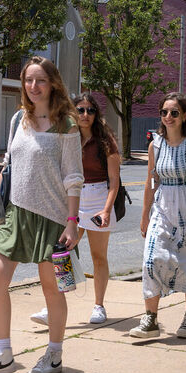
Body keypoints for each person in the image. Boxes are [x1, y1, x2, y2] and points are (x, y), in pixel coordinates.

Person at [0, 57, 82, 373]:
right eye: (28, 81)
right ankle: (3, 352)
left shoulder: (67, 125)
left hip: (53, 218)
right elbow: (8, 165)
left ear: (53, 85)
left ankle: (54, 353)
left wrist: (72, 222)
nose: (33, 87)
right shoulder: (18, 118)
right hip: (16, 214)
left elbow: (74, 177)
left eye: (40, 81)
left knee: (53, 289)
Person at [129, 93, 186, 340]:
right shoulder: (155, 145)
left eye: (174, 113)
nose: (168, 117)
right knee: (151, 260)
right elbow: (150, 181)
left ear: (185, 116)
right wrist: (144, 214)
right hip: (162, 207)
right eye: (164, 112)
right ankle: (150, 319)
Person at [30, 92, 120, 326]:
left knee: (98, 257)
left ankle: (99, 306)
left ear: (96, 114)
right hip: (72, 199)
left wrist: (107, 210)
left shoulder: (105, 139)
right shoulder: (67, 135)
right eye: (80, 109)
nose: (85, 114)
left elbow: (114, 180)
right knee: (62, 253)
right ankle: (54, 307)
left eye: (90, 110)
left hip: (98, 197)